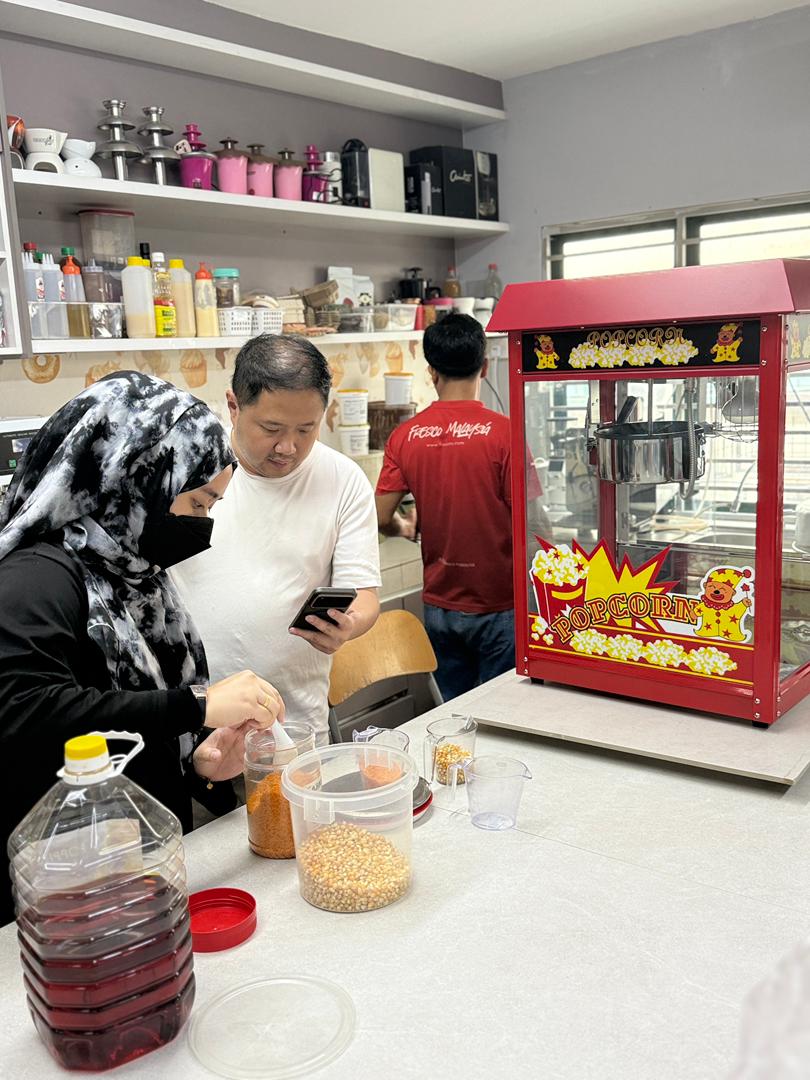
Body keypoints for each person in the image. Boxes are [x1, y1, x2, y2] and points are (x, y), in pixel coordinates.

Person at [0, 371, 284, 924]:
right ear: (134, 481)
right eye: (197, 504)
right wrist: (196, 705)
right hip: (59, 897)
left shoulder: (134, 575)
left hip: (134, 870)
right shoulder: (39, 577)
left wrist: (199, 758)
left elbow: (127, 727)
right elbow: (22, 710)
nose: (202, 526)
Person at [173, 335, 381, 744]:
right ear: (234, 406)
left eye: (307, 429)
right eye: (271, 428)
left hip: (295, 726)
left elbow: (365, 595)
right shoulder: (190, 469)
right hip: (192, 717)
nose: (288, 447)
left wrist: (348, 624)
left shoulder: (342, 480)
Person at [375, 313, 516, 701]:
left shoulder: (405, 436)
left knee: (455, 718)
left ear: (431, 372)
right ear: (484, 367)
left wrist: (405, 528)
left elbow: (382, 515)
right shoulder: (507, 433)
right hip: (500, 605)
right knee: (502, 714)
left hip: (439, 605)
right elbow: (533, 520)